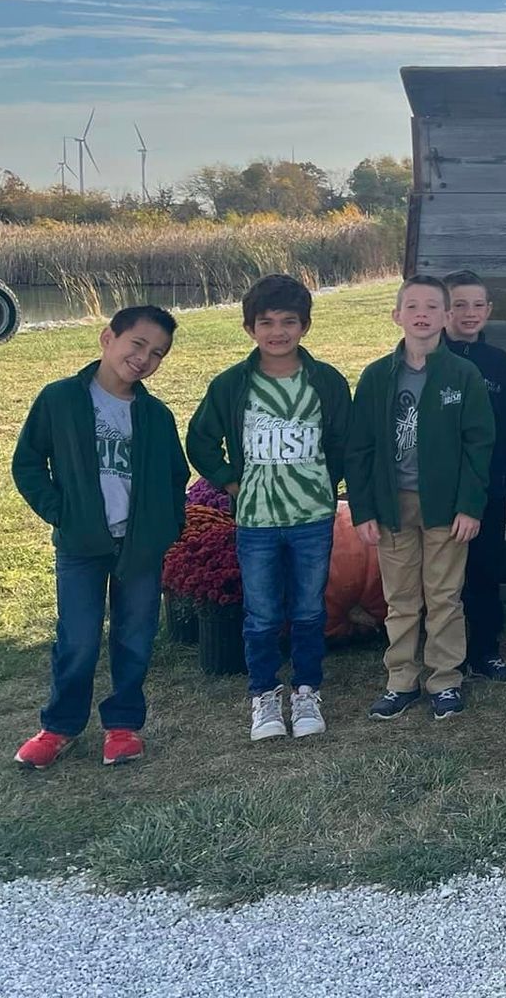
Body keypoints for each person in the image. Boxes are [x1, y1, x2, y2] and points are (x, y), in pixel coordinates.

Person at [12, 305, 189, 769]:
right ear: (108, 338)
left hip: (139, 548)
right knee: (79, 638)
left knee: (135, 636)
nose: (144, 358)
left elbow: (176, 476)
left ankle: (123, 725)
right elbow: (28, 463)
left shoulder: (155, 415)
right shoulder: (61, 400)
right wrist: (61, 513)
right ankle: (60, 727)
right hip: (81, 546)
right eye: (137, 344)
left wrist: (165, 529)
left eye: (157, 354)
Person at [186, 273, 352, 743]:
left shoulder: (325, 381)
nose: (277, 332)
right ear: (249, 328)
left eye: (288, 322)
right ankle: (263, 695)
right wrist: (228, 481)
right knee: (260, 613)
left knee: (307, 609)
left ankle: (305, 690)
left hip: (311, 517)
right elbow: (200, 439)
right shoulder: (233, 384)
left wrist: (326, 480)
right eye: (266, 322)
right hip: (256, 519)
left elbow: (344, 439)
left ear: (305, 327)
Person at [346, 275, 495, 722]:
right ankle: (401, 680)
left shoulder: (462, 375)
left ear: (447, 317)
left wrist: (471, 505)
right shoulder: (377, 376)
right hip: (394, 505)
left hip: (445, 506)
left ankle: (445, 679)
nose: (422, 315)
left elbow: (479, 444)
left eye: (432, 307)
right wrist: (364, 507)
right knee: (402, 598)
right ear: (397, 316)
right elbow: (360, 448)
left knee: (445, 595)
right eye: (412, 307)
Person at [442, 269, 506, 685]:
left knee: (484, 572)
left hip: (488, 487)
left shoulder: (499, 363)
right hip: (439, 490)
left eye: (478, 305)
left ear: (490, 311)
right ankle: (446, 655)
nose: (469, 313)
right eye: (460, 304)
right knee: (442, 580)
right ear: (445, 310)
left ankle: (486, 652)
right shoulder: (427, 358)